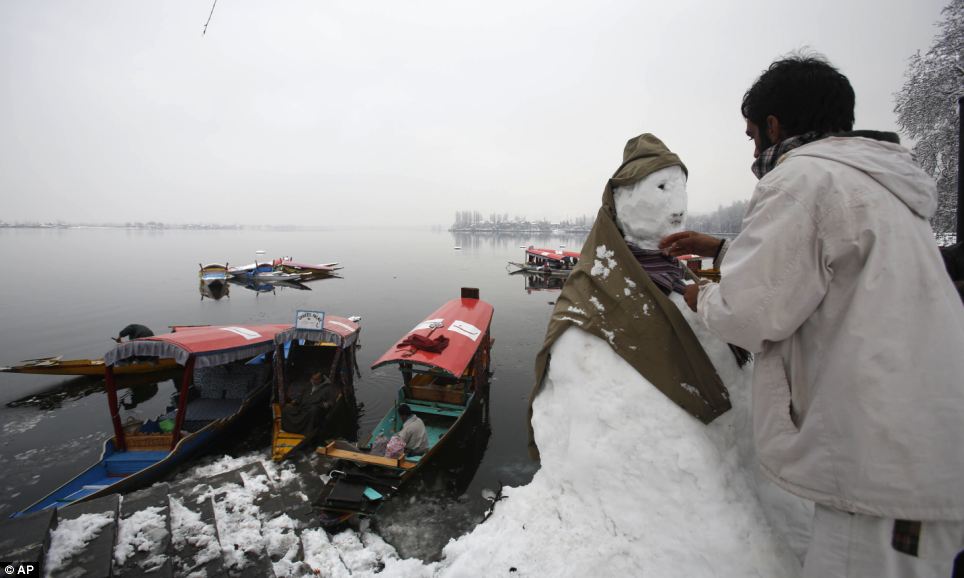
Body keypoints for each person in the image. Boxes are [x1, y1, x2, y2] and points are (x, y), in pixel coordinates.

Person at [661, 54, 964, 577]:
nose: (755, 150)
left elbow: (748, 314)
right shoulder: (876, 182)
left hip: (883, 470)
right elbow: (825, 264)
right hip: (925, 447)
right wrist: (723, 248)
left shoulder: (801, 178)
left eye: (754, 134)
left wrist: (699, 297)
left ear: (774, 126)